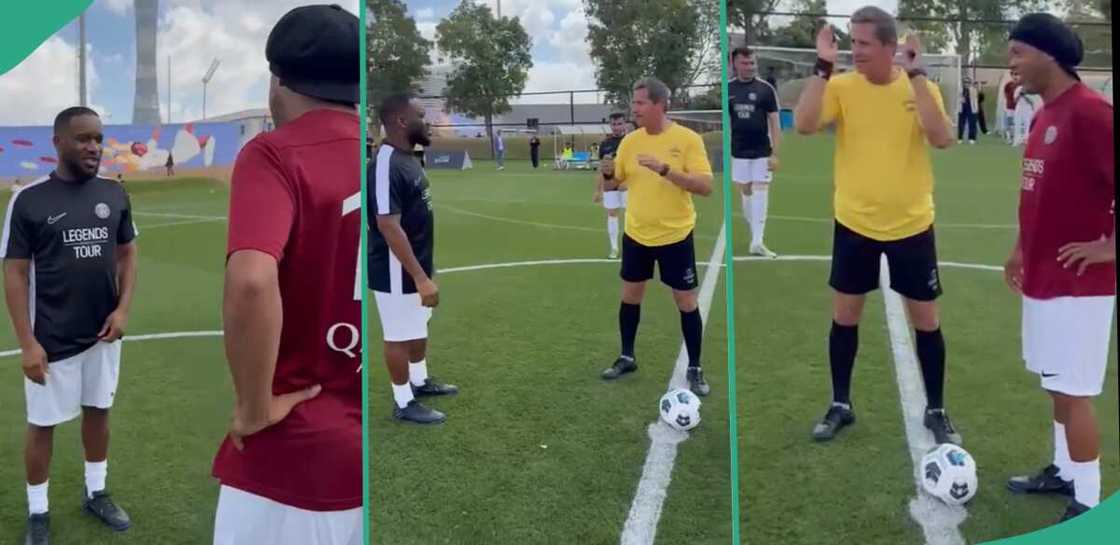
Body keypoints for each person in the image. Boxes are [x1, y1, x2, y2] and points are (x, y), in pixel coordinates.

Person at [211, 6, 362, 545]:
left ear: (276, 81)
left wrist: (254, 409)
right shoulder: (382, 155)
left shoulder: (274, 155)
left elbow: (251, 280)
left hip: (296, 461)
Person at [793, 7, 959, 444]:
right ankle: (840, 404)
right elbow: (806, 125)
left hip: (912, 224)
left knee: (926, 319)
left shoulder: (918, 86)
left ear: (890, 46)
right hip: (855, 222)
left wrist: (918, 73)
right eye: (852, 42)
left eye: (864, 43)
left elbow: (942, 138)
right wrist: (823, 67)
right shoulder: (843, 85)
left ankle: (937, 410)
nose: (855, 50)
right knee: (845, 316)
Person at [2, 106, 139, 545]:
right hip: (51, 340)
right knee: (43, 424)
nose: (93, 146)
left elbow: (128, 252)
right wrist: (27, 343)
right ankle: (38, 513)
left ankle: (96, 491)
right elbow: (15, 272)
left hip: (103, 334)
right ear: (58, 142)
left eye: (98, 138)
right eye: (82, 138)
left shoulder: (114, 193)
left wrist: (122, 311)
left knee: (99, 411)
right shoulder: (29, 199)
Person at [1001, 13, 1114, 523]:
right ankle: (1064, 469)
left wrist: (1109, 248)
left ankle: (1088, 501)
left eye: (1018, 52)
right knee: (1055, 383)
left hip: (1081, 286)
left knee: (1075, 389)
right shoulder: (1045, 114)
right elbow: (1039, 195)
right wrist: (1021, 248)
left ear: (1048, 55)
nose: (1013, 63)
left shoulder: (1092, 113)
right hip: (1044, 277)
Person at [599, 77, 714, 397]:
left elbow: (705, 187)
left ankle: (695, 367)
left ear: (659, 105)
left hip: (676, 235)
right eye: (633, 103)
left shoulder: (687, 139)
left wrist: (665, 169)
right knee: (630, 296)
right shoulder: (630, 142)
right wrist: (608, 173)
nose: (633, 109)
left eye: (639, 103)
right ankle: (626, 356)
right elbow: (613, 185)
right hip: (637, 234)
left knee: (686, 300)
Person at [370, 94, 458, 425]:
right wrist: (419, 277)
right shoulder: (385, 163)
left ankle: (419, 381)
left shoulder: (409, 158)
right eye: (422, 114)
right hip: (396, 270)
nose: (429, 120)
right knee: (397, 333)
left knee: (418, 325)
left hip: (416, 263)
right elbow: (387, 225)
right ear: (402, 121)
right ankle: (403, 402)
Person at [729, 46, 782, 257]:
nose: (750, 67)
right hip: (738, 151)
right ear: (735, 63)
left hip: (762, 150)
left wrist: (775, 153)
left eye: (752, 63)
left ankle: (758, 240)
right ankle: (754, 237)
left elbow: (775, 122)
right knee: (746, 191)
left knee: (761, 189)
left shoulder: (766, 89)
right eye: (745, 63)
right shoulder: (728, 89)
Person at [594, 113, 630, 259]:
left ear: (625, 124)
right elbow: (602, 168)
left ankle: (631, 247)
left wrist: (627, 182)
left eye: (619, 124)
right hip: (610, 186)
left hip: (627, 186)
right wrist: (598, 190)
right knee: (612, 214)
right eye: (614, 124)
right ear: (610, 125)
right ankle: (614, 247)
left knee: (630, 215)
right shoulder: (605, 144)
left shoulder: (631, 141)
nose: (616, 127)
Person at [958, 78, 979, 144]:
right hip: (962, 108)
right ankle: (960, 138)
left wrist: (976, 109)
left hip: (971, 108)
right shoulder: (960, 90)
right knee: (961, 123)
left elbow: (975, 99)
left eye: (968, 82)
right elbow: (958, 98)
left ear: (970, 83)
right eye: (965, 82)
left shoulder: (973, 90)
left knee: (972, 123)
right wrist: (961, 100)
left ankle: (972, 138)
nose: (966, 84)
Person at [1003, 73, 1022, 143]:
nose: (1016, 76)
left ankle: (1016, 137)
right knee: (1009, 122)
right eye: (1014, 75)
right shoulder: (1008, 85)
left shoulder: (1021, 86)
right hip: (1010, 107)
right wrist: (1008, 102)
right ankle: (1009, 138)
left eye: (1017, 75)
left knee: (1016, 123)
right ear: (1012, 76)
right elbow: (1005, 95)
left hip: (1019, 107)